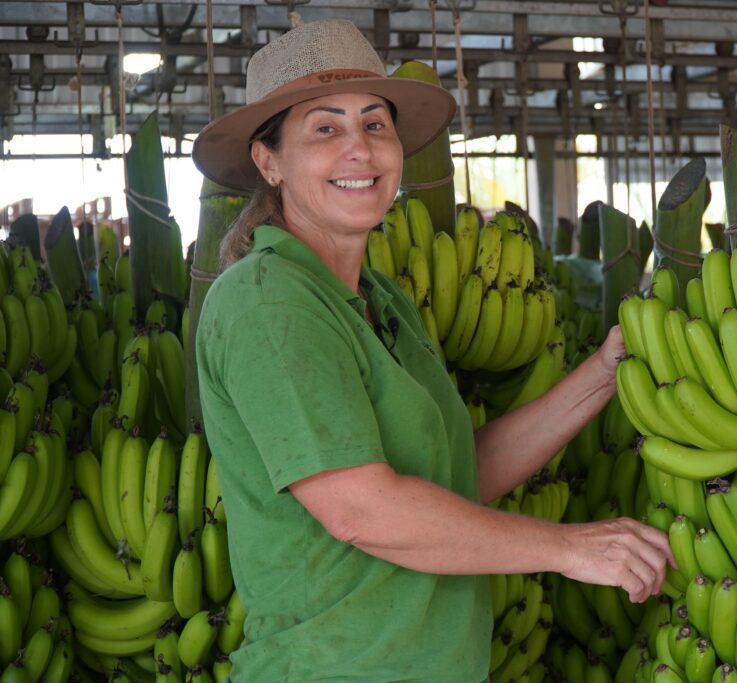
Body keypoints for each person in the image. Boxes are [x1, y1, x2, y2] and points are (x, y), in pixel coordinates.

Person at [192, 19, 674, 682]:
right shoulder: (267, 300)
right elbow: (361, 507)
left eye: (375, 125)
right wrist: (568, 547)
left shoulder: (382, 302)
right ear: (269, 161)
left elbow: (456, 473)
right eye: (325, 129)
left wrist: (603, 373)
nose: (358, 150)